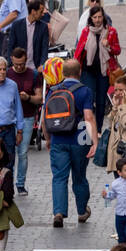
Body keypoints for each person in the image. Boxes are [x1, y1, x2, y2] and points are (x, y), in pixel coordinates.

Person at [45, 57, 98, 227]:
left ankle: (59, 212)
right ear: (79, 72)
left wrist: (48, 139)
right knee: (79, 177)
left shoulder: (52, 91)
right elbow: (89, 117)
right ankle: (82, 211)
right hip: (80, 139)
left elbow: (46, 118)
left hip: (58, 139)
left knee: (59, 177)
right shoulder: (85, 91)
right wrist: (95, 142)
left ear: (63, 73)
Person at [73, 5, 119, 126]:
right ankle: (87, 126)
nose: (98, 20)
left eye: (100, 17)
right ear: (91, 18)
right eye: (95, 17)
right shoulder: (86, 31)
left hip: (104, 71)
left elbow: (117, 50)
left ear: (103, 17)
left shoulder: (111, 31)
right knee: (88, 98)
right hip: (88, 71)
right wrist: (75, 68)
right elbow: (78, 51)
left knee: (101, 101)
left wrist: (109, 46)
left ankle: (98, 129)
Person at [6, 47, 42, 195]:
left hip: (27, 117)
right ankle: (7, 183)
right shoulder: (7, 73)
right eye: (16, 64)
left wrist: (28, 97)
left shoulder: (33, 75)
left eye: (21, 64)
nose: (19, 67)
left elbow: (39, 98)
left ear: (26, 60)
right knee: (9, 152)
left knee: (22, 152)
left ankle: (20, 183)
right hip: (9, 118)